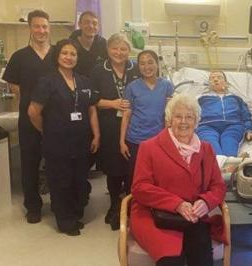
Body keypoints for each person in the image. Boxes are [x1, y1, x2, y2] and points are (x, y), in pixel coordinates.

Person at [130, 94, 226, 266]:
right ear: (169, 120)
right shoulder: (149, 147)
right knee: (171, 260)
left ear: (196, 121)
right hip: (156, 216)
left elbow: (218, 186)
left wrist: (206, 202)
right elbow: (139, 187)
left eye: (189, 117)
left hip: (193, 215)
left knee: (202, 258)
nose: (183, 122)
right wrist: (177, 204)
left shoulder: (206, 149)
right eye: (178, 116)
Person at [28, 39, 100, 236]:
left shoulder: (84, 81)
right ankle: (65, 220)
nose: (69, 57)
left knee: (79, 179)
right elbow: (33, 111)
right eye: (65, 53)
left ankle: (76, 212)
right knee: (61, 181)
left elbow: (91, 109)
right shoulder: (47, 81)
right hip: (56, 143)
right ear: (57, 56)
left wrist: (96, 135)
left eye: (73, 54)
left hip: (81, 141)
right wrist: (47, 130)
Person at [2, 10, 55, 224]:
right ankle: (33, 206)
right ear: (30, 29)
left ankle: (60, 202)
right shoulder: (20, 57)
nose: (41, 30)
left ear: (49, 28)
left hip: (55, 119)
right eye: (37, 26)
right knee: (30, 162)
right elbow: (16, 89)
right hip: (28, 118)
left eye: (44, 26)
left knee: (56, 161)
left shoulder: (58, 54)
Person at [90, 33, 140, 230]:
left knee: (131, 168)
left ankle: (130, 205)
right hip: (110, 125)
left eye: (123, 49)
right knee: (113, 168)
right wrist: (112, 103)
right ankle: (114, 205)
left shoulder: (136, 68)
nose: (119, 53)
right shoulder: (98, 71)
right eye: (115, 48)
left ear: (129, 51)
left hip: (134, 126)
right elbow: (92, 100)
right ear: (108, 50)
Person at [120, 50, 173, 192]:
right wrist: (122, 141)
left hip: (159, 139)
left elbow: (169, 116)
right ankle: (133, 207)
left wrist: (168, 139)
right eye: (142, 63)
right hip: (135, 139)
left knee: (158, 176)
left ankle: (155, 207)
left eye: (150, 62)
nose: (146, 67)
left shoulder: (167, 86)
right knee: (134, 176)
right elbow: (126, 114)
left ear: (157, 64)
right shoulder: (132, 87)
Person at [196, 70, 252, 157]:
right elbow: (192, 114)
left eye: (219, 77)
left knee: (229, 146)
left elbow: (246, 115)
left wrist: (249, 130)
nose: (215, 80)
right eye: (212, 78)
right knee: (213, 152)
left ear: (226, 83)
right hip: (206, 126)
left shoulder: (236, 98)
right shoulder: (200, 98)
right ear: (208, 83)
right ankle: (228, 165)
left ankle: (230, 163)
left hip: (233, 126)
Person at [69, 11, 107, 77]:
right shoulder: (70, 44)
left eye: (94, 23)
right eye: (87, 22)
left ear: (98, 27)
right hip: (76, 82)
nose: (91, 26)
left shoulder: (103, 44)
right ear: (79, 24)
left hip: (98, 83)